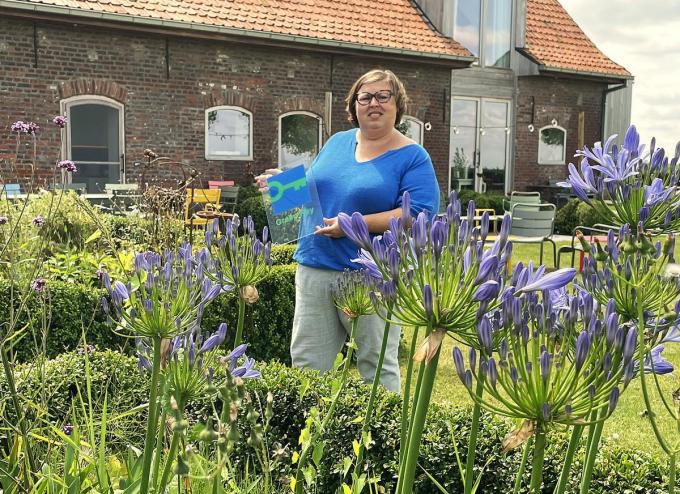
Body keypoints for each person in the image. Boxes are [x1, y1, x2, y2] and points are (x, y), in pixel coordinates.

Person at [256, 69, 440, 392]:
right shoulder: (337, 142)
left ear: (398, 105)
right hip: (314, 266)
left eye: (383, 96)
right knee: (307, 366)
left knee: (376, 367)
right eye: (365, 96)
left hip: (371, 275)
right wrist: (279, 187)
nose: (374, 103)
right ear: (354, 105)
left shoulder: (413, 157)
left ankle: (383, 440)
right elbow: (315, 188)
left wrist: (354, 227)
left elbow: (420, 212)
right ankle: (313, 441)